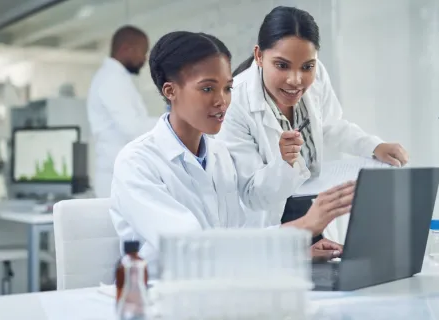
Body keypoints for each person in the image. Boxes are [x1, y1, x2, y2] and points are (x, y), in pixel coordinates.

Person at [110, 30, 355, 275]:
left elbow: (238, 239)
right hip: (163, 299)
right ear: (170, 91)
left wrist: (297, 253)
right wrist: (304, 225)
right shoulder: (137, 163)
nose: (222, 101)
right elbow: (192, 248)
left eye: (228, 88)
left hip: (220, 288)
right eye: (207, 89)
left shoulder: (219, 155)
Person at [216, 6, 409, 241]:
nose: (296, 80)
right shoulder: (234, 102)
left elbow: (330, 124)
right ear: (259, 56)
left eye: (307, 66)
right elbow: (252, 195)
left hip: (313, 209)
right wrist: (284, 163)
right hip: (271, 224)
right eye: (282, 65)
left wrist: (373, 146)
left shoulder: (317, 74)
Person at [87, 25, 157, 198]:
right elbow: (133, 128)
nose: (144, 59)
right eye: (143, 52)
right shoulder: (111, 80)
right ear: (126, 49)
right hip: (114, 177)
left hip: (120, 173)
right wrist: (175, 120)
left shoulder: (116, 78)